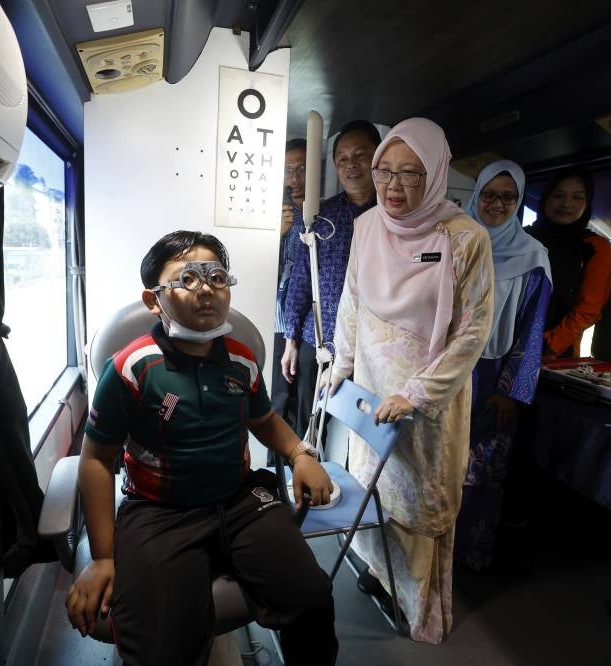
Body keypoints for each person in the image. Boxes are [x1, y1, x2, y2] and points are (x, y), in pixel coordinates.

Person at [66, 231, 338, 665]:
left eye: (216, 277)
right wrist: (102, 557)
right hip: (159, 508)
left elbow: (264, 419)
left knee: (311, 596)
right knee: (158, 647)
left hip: (239, 498)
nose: (206, 288)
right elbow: (97, 461)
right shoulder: (131, 369)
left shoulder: (241, 359)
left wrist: (300, 454)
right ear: (154, 299)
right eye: (187, 278)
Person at [327, 118, 494, 643]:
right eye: (384, 172)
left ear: (437, 174)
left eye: (410, 174)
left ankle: (419, 608)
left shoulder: (466, 239)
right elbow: (352, 301)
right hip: (373, 385)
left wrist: (416, 394)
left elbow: (472, 332)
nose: (393, 187)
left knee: (419, 496)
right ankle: (380, 576)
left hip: (426, 397)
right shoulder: (366, 226)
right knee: (376, 485)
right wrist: (341, 363)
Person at [451, 160, 552, 571]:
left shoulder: (533, 256)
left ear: (519, 200)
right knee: (439, 465)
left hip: (495, 375)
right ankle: (425, 559)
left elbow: (532, 330)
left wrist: (511, 390)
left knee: (481, 472)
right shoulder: (455, 241)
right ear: (476, 195)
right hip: (450, 370)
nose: (497, 203)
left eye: (508, 196)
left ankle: (465, 562)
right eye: (489, 194)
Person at [281, 119, 381, 439]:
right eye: (342, 158)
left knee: (356, 436)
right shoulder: (321, 216)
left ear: (378, 157)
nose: (350, 165)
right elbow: (301, 280)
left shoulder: (393, 218)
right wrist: (291, 339)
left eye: (360, 155)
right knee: (309, 432)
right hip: (318, 341)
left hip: (370, 351)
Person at [526, 168, 611, 359]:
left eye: (577, 198)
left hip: (555, 353)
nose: (566, 204)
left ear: (587, 204)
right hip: (504, 342)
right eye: (558, 195)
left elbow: (588, 308)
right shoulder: (523, 239)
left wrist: (551, 346)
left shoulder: (595, 247)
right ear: (546, 198)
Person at [271, 139, 307, 427]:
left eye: (302, 168)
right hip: (279, 321)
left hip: (310, 325)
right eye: (288, 169)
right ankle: (275, 466)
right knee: (277, 398)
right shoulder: (273, 214)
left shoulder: (322, 212)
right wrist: (278, 234)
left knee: (305, 402)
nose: (295, 177)